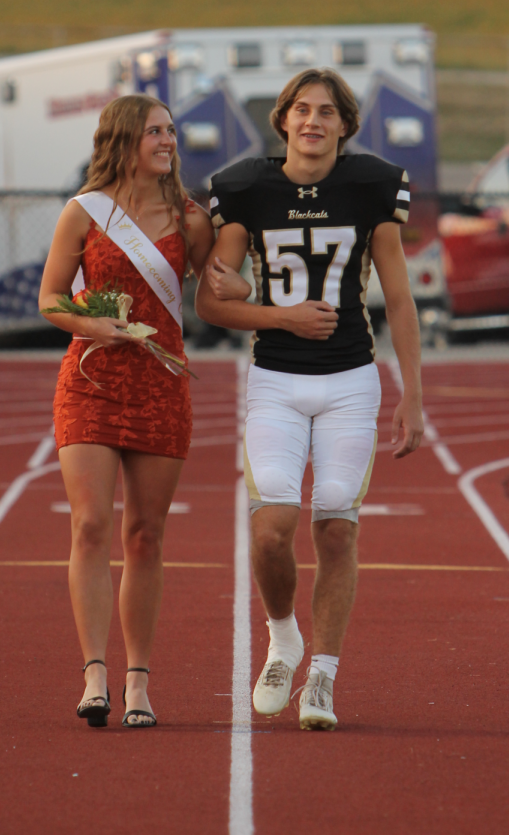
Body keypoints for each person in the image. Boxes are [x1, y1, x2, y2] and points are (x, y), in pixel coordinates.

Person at [195, 68, 424, 731]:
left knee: (336, 525)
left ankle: (321, 675)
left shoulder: (370, 184)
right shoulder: (248, 188)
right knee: (271, 531)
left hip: (352, 379)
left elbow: (400, 297)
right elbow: (213, 299)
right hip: (276, 379)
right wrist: (280, 316)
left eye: (327, 111)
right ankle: (283, 636)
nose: (313, 121)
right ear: (283, 120)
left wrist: (413, 392)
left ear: (345, 125)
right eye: (302, 109)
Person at [39, 94, 247, 728]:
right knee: (92, 526)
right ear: (124, 139)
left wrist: (240, 285)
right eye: (155, 131)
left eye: (171, 131)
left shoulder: (191, 219)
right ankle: (94, 674)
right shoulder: (83, 212)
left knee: (146, 536)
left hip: (161, 385)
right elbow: (51, 300)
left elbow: (218, 290)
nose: (168, 140)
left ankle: (138, 681)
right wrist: (100, 328)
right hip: (90, 380)